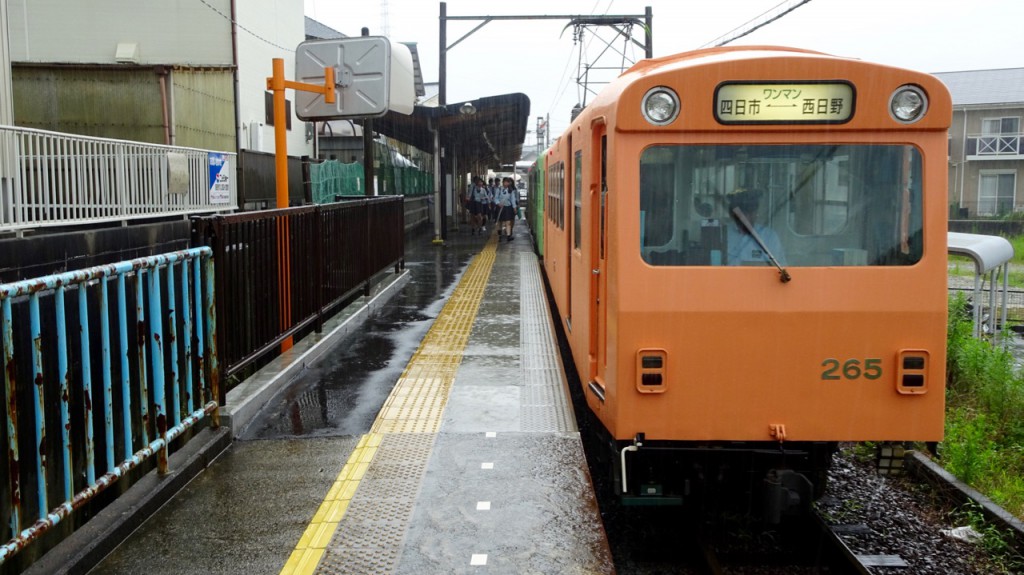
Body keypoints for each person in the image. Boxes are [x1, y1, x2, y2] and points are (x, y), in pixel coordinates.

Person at [725, 188, 785, 266]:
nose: (746, 216)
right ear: (732, 214)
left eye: (750, 212)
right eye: (743, 212)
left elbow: (781, 268)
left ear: (756, 213)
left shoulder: (769, 237)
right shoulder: (722, 234)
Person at [493, 177, 518, 241]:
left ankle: (508, 236)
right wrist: (498, 203)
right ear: (503, 182)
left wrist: (514, 208)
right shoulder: (499, 189)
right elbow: (495, 198)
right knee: (500, 222)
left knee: (508, 222)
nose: (507, 183)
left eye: (508, 182)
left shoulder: (511, 190)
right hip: (500, 207)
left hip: (508, 207)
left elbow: (513, 200)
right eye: (506, 182)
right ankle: (500, 235)